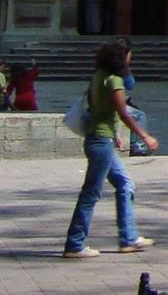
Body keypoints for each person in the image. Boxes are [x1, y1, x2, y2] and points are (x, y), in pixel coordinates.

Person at [62, 40, 157, 258]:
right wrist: (145, 136)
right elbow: (123, 113)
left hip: (100, 139)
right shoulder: (114, 80)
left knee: (125, 183)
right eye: (128, 57)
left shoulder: (98, 76)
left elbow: (99, 109)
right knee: (91, 193)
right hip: (100, 142)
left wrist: (115, 137)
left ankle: (128, 237)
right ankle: (74, 244)